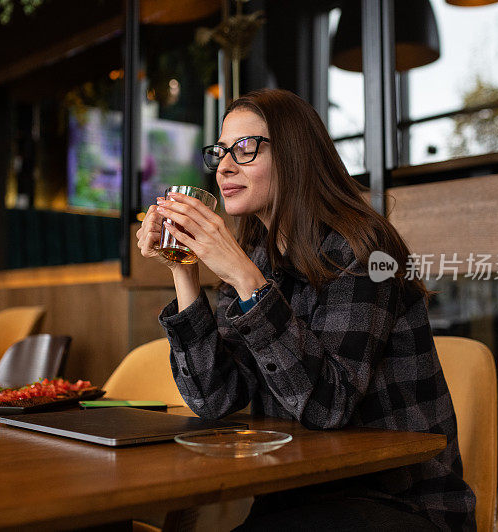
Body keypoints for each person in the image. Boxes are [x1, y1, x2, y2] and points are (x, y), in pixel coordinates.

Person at [136, 88, 476, 531]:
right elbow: (213, 399)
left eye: (245, 148)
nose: (223, 166)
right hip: (299, 496)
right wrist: (182, 269)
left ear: (295, 154)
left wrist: (244, 280)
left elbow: (328, 405)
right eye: (220, 151)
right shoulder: (255, 258)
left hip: (398, 504)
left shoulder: (366, 250)